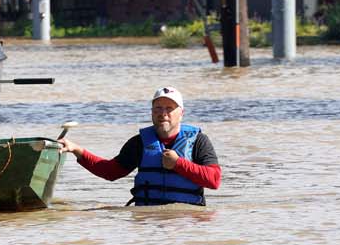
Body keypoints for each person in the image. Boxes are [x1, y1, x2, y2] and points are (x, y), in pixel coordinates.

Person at [56, 86, 222, 206]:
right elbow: (110, 171)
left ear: (181, 113)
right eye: (158, 108)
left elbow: (214, 180)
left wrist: (178, 163)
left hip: (187, 221)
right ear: (151, 112)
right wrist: (76, 150)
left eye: (169, 108)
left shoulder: (199, 141)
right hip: (148, 221)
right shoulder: (140, 142)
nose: (163, 113)